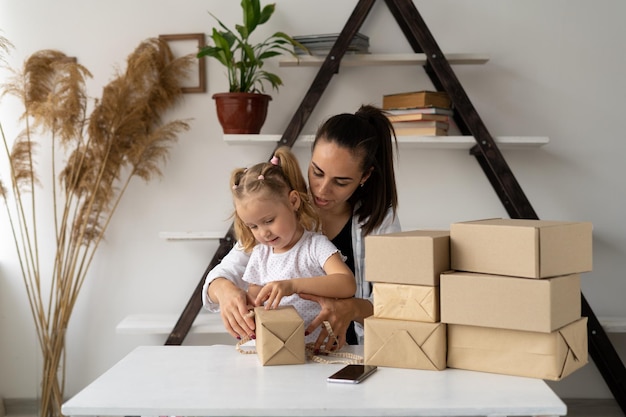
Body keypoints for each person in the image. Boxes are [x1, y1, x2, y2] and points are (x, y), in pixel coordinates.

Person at [203, 104, 401, 350]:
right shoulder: (277, 210)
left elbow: (395, 301)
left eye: (341, 182)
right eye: (317, 172)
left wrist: (351, 308)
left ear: (365, 176)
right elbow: (223, 275)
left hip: (353, 351)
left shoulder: (380, 221)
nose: (321, 189)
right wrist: (225, 292)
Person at [229, 146, 356, 344]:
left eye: (269, 220)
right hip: (277, 349)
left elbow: (347, 284)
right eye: (253, 226)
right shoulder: (260, 254)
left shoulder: (316, 246)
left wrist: (293, 285)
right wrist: (250, 312)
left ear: (293, 201)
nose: (263, 232)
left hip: (318, 351)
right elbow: (256, 296)